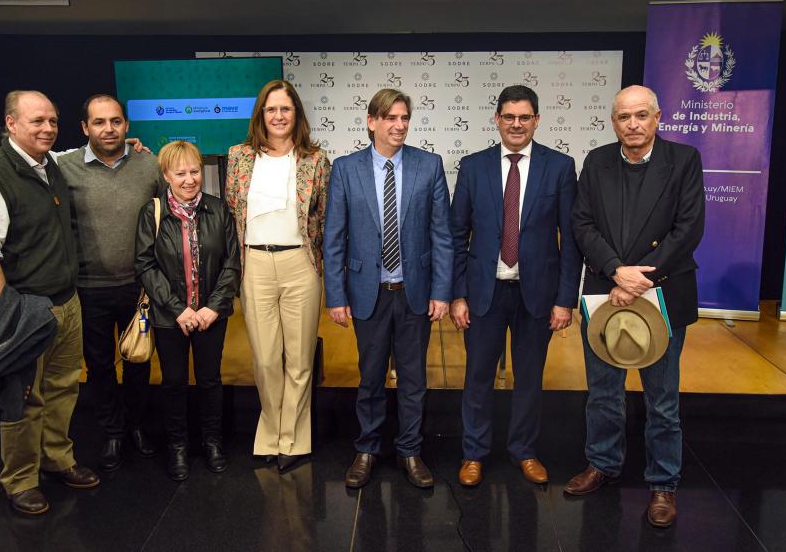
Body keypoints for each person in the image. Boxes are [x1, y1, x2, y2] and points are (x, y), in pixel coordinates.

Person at [567, 85, 705, 528]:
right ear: (614, 121)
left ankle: (663, 482)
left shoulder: (683, 161)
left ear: (658, 117)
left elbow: (688, 229)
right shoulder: (596, 161)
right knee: (602, 391)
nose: (633, 124)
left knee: (661, 399)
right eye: (624, 117)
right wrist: (614, 269)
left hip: (659, 293)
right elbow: (581, 222)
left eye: (641, 115)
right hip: (604, 292)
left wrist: (638, 279)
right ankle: (602, 464)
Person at [0, 90, 100, 515]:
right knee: (21, 397)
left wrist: (125, 145)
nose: (47, 129)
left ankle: (57, 459)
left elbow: (78, 150)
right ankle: (20, 479)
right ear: (11, 124)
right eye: (37, 121)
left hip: (64, 303)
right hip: (22, 310)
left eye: (53, 121)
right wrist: (12, 315)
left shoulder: (49, 164)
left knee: (61, 388)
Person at [450, 84, 582, 487]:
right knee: (477, 377)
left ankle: (524, 451)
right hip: (484, 294)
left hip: (536, 295)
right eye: (509, 117)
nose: (517, 124)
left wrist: (564, 300)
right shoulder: (473, 166)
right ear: (497, 120)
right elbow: (457, 235)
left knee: (529, 378)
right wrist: (458, 293)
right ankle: (474, 453)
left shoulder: (560, 166)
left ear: (537, 120)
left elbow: (570, 239)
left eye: (525, 117)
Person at [324, 88, 452, 489]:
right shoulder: (346, 169)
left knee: (414, 379)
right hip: (368, 293)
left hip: (415, 293)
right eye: (391, 118)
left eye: (404, 119)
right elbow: (334, 238)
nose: (399, 126)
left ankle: (411, 451)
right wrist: (336, 295)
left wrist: (442, 291)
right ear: (372, 121)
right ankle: (367, 449)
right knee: (371, 376)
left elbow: (442, 235)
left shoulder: (428, 165)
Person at [225, 80, 330, 473]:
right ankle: (270, 433)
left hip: (300, 266)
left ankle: (293, 439)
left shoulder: (315, 160)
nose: (279, 116)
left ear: (296, 114)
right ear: (261, 115)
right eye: (272, 109)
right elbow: (233, 213)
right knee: (266, 358)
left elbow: (323, 219)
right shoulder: (239, 157)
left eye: (286, 109)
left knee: (300, 360)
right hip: (254, 264)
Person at [58, 94, 165, 472]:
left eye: (116, 121)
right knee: (100, 365)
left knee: (138, 359)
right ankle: (112, 432)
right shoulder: (63, 166)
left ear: (127, 125)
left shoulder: (149, 165)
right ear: (85, 128)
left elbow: (165, 221)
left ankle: (136, 425)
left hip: (139, 288)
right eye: (99, 122)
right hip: (88, 288)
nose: (109, 129)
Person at [134, 140, 241, 481]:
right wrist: (178, 309)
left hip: (211, 315)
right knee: (174, 382)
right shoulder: (151, 213)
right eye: (180, 173)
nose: (189, 179)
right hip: (170, 317)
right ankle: (177, 446)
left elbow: (232, 264)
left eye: (194, 171)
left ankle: (212, 443)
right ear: (166, 175)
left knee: (210, 381)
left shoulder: (219, 210)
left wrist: (213, 307)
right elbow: (145, 265)